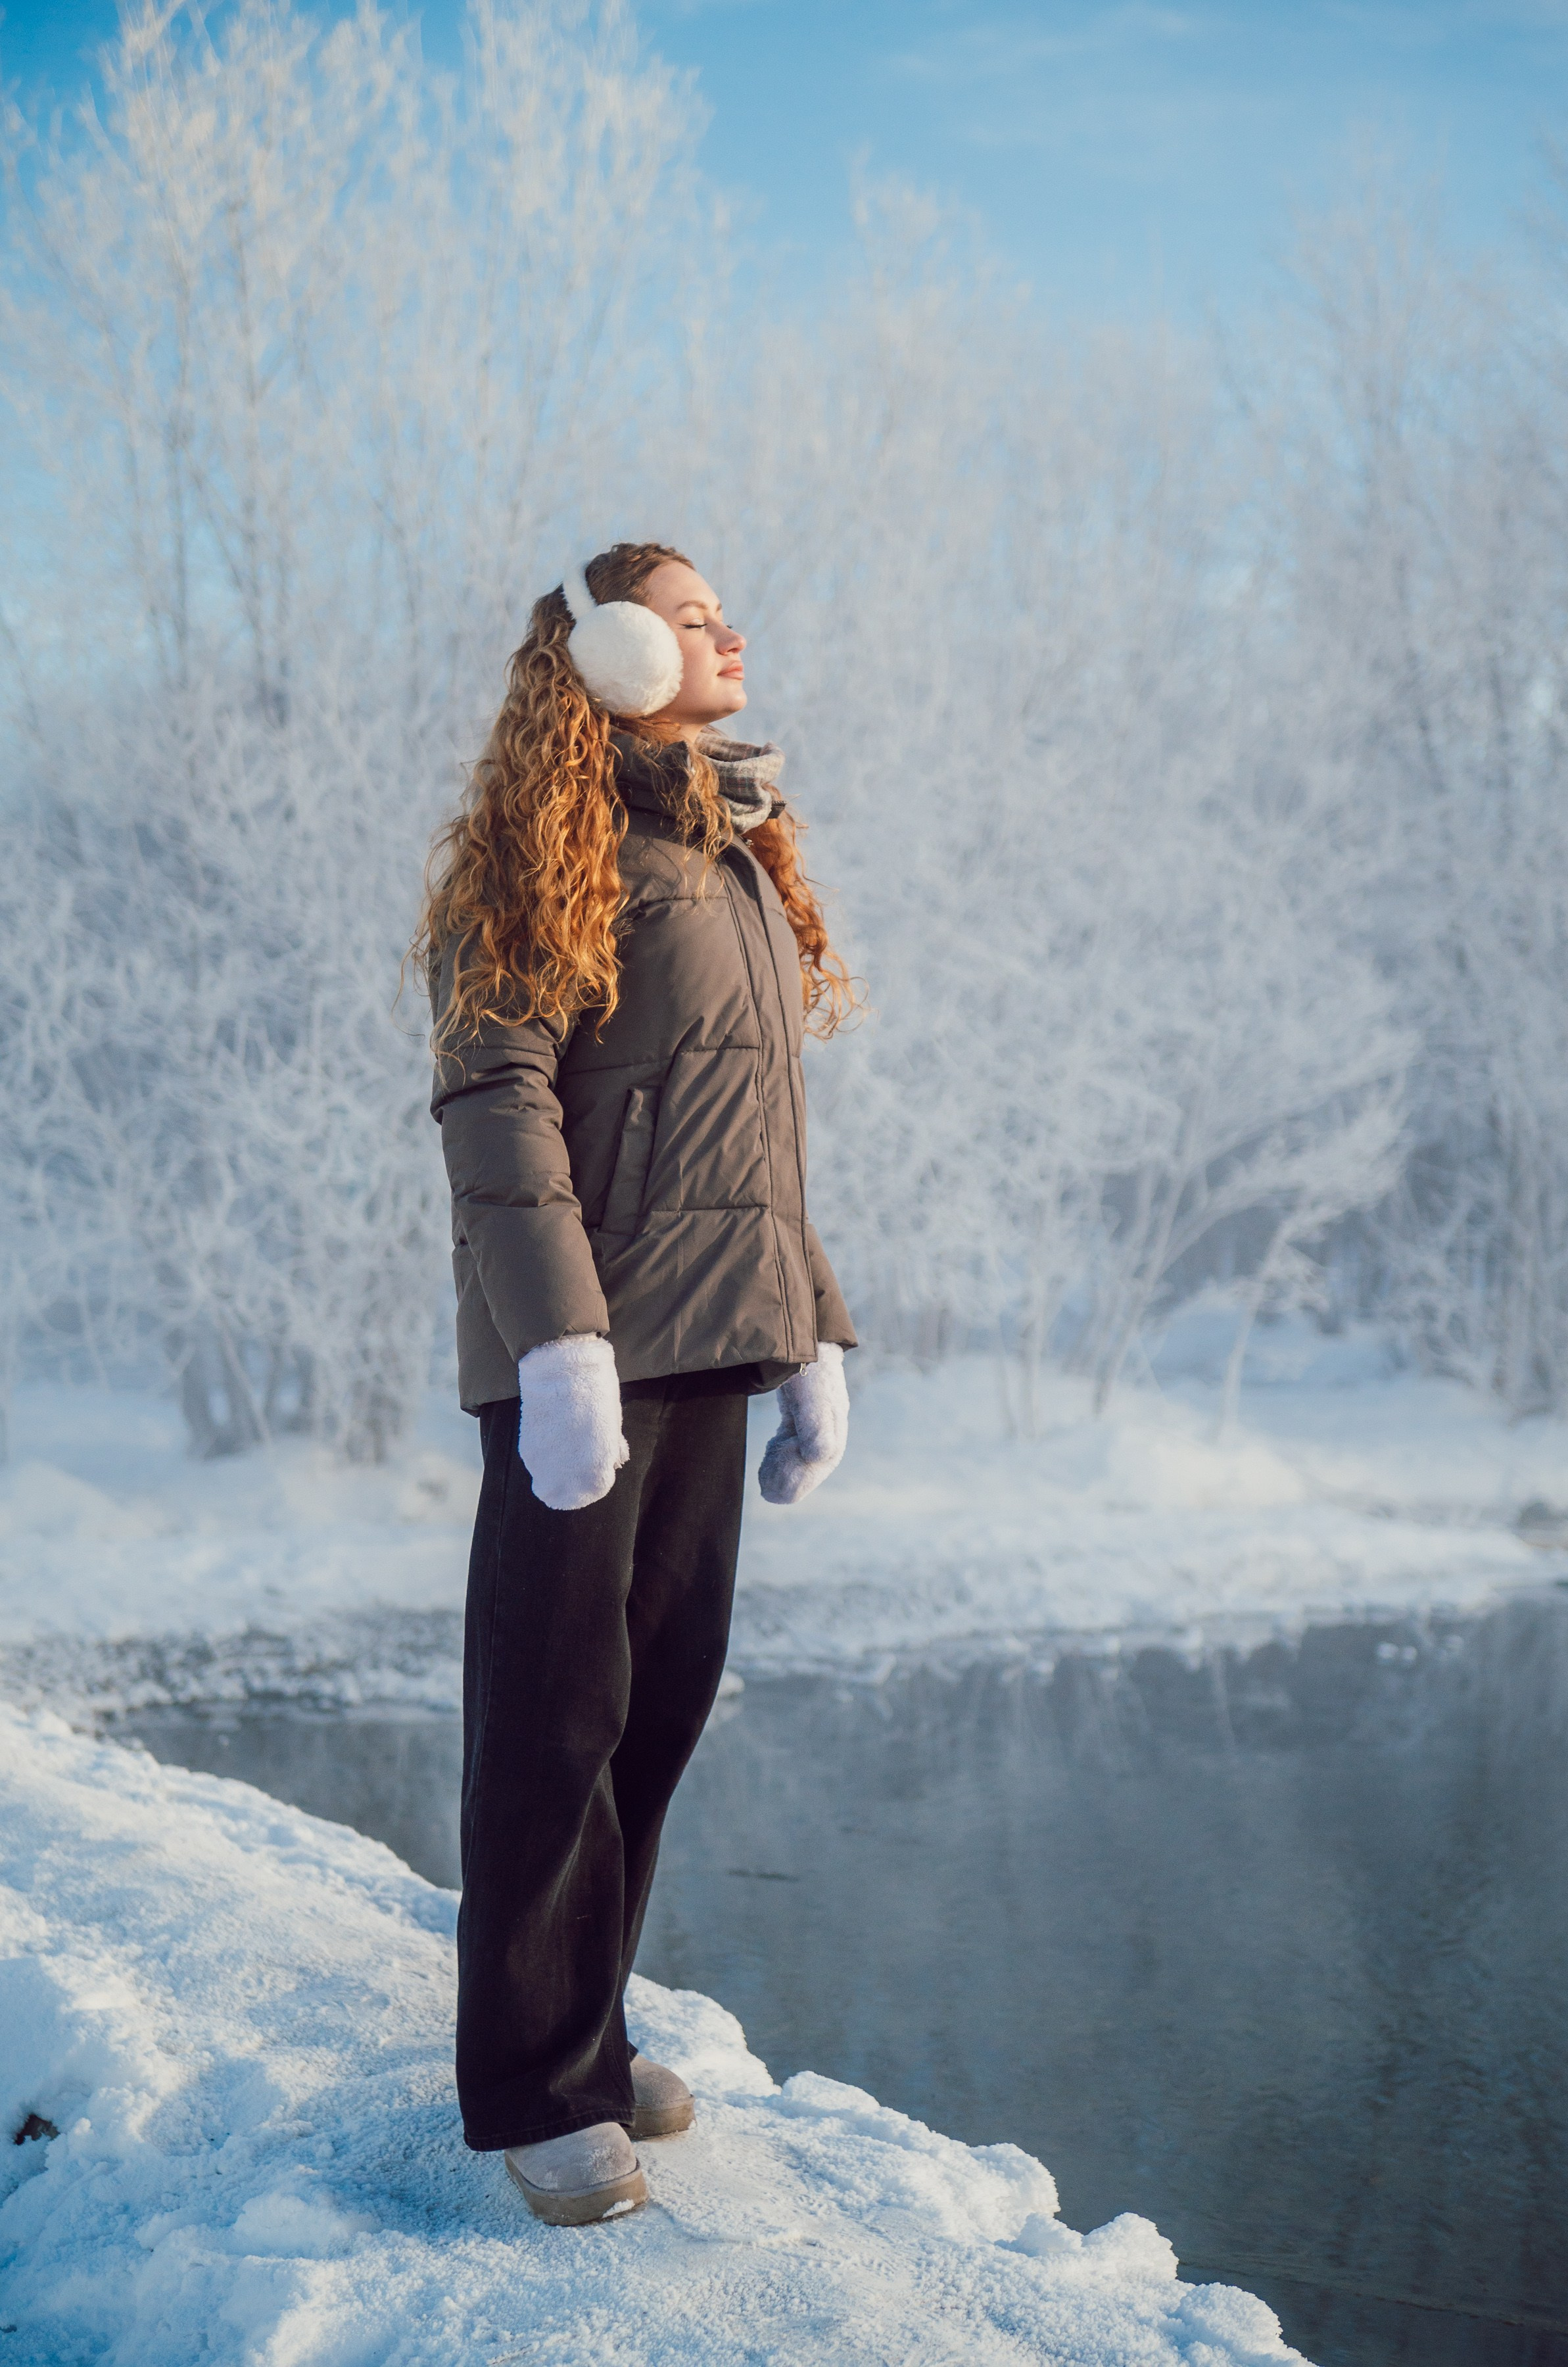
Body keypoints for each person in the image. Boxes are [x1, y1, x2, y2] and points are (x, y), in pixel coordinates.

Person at [415, 541, 858, 2227]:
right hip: (586, 1365)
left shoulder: (729, 852)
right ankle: (534, 2089)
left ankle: (584, 2044)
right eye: (687, 617)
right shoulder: (547, 853)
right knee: (551, 1720)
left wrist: (812, 1329)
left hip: (713, 1341)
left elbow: (762, 1150)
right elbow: (499, 1112)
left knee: (651, 1718)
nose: (726, 629)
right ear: (603, 656)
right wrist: (556, 1347)